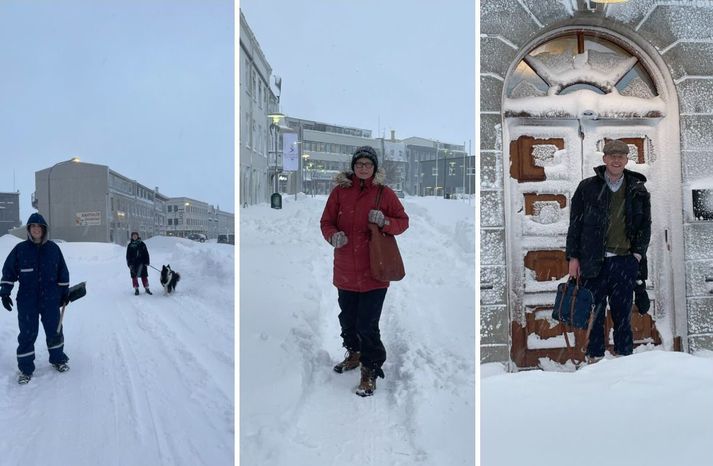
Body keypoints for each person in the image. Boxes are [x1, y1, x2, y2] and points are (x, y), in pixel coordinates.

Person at [320, 146, 409, 396]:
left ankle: (370, 368)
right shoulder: (340, 192)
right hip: (346, 269)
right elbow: (326, 221)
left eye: (367, 164)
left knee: (367, 325)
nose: (362, 168)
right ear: (353, 166)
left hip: (374, 271)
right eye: (358, 164)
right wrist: (332, 235)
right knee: (347, 321)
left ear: (374, 168)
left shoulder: (384, 193)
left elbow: (403, 222)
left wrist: (385, 221)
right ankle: (354, 352)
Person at [566, 139, 651, 362]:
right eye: (611, 156)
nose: (616, 160)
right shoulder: (587, 187)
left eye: (620, 156)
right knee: (594, 313)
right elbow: (575, 224)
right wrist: (573, 257)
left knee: (622, 315)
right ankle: (594, 358)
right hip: (594, 262)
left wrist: (637, 255)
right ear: (604, 159)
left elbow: (645, 226)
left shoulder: (637, 189)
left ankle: (624, 359)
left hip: (624, 262)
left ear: (626, 160)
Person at [0, 213, 71, 384]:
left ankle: (58, 359)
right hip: (27, 300)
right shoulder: (20, 249)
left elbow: (62, 271)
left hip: (51, 299)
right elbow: (9, 270)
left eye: (39, 227)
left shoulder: (53, 249)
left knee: (54, 330)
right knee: (27, 333)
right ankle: (25, 369)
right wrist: (5, 291)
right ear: (29, 230)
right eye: (33, 227)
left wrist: (64, 292)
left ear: (44, 229)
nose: (36, 230)